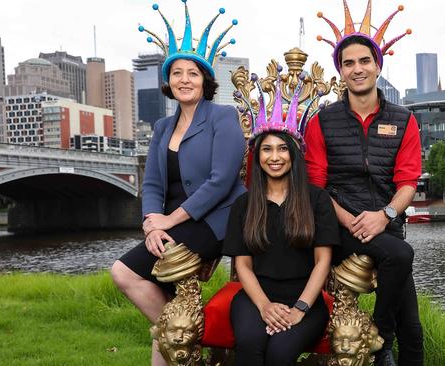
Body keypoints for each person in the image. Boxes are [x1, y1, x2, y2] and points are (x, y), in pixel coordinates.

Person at [110, 4, 244, 365]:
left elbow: (221, 181)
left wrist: (169, 222)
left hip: (214, 220)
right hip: (171, 223)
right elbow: (152, 182)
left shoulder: (223, 117)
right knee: (140, 280)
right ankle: (180, 336)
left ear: (205, 80)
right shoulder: (161, 128)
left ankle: (186, 337)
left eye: (193, 73)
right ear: (168, 81)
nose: (185, 79)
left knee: (140, 269)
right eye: (177, 73)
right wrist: (151, 222)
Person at [308, 4, 422, 365]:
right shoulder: (321, 122)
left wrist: (384, 214)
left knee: (414, 331)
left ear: (377, 65)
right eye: (348, 63)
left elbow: (407, 182)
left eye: (364, 61)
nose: (357, 69)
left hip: (386, 225)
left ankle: (385, 336)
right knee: (401, 255)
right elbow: (315, 186)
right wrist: (349, 220)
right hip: (338, 225)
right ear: (340, 70)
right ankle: (382, 338)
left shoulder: (403, 120)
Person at [223, 75, 340, 366]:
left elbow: (323, 262)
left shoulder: (317, 200)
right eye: (267, 149)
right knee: (250, 344)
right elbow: (242, 265)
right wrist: (264, 306)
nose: (274, 157)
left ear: (294, 154)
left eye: (282, 148)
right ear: (258, 155)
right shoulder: (244, 205)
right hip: (254, 297)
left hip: (306, 299)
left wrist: (300, 308)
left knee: (279, 351)